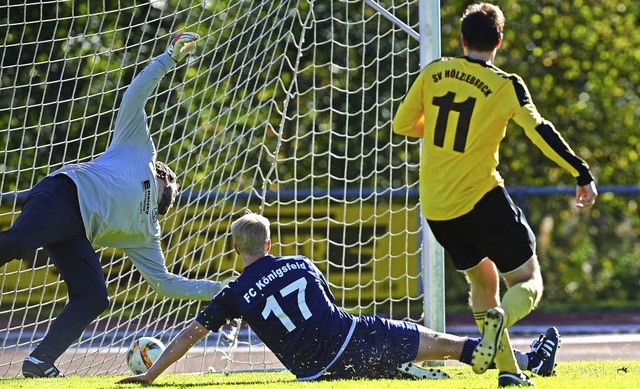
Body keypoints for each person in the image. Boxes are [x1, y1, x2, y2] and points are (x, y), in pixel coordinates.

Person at [0, 32, 232, 378]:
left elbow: (164, 283)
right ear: (162, 176)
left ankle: (39, 362)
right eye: (175, 184)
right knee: (18, 243)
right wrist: (167, 59)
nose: (176, 192)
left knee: (94, 297)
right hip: (63, 194)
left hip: (77, 232)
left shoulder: (147, 232)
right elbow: (134, 97)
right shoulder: (139, 149)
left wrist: (222, 290)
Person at [393, 2, 598, 387]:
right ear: (499, 41)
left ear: (462, 39)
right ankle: (499, 325)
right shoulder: (507, 85)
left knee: (482, 284)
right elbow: (540, 130)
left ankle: (509, 371)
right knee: (528, 280)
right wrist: (581, 171)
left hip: (437, 207)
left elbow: (404, 124)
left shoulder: (434, 72)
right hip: (481, 197)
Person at [118, 211, 503, 384]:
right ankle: (490, 355)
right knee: (424, 337)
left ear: (236, 249)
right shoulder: (300, 263)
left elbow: (189, 334)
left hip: (313, 371)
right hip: (349, 340)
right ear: (269, 244)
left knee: (375, 355)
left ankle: (398, 368)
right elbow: (328, 308)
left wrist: (151, 375)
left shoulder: (232, 294)